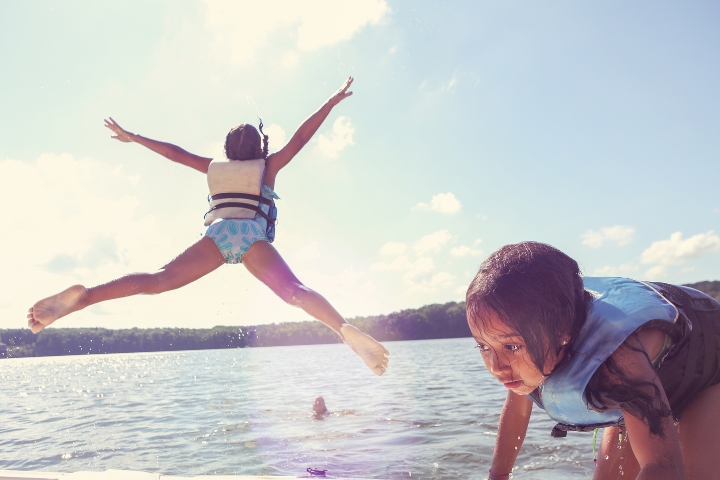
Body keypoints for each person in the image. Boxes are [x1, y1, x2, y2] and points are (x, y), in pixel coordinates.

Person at [27, 77, 389, 376]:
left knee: (158, 280)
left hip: (218, 236)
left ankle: (86, 296)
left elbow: (174, 153)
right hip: (251, 237)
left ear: (227, 151)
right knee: (294, 290)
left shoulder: (213, 167)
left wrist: (133, 137)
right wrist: (330, 101)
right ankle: (343, 329)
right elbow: (301, 137)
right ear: (259, 147)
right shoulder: (268, 166)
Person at [465, 241, 720, 480]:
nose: (496, 366)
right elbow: (518, 408)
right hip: (641, 391)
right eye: (483, 346)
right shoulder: (528, 358)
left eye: (511, 346)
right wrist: (498, 475)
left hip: (706, 370)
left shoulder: (616, 360)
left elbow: (663, 466)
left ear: (561, 333)